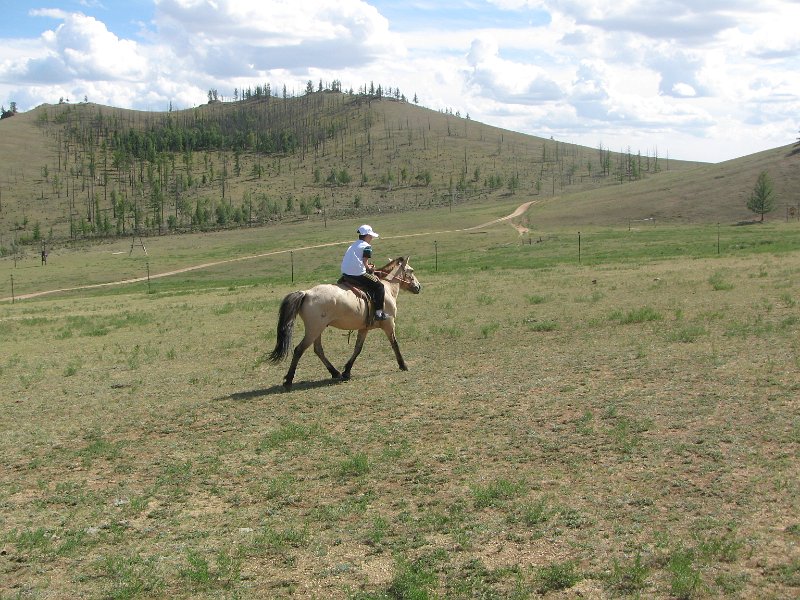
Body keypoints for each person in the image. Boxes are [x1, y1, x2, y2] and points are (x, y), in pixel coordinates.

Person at [341, 224, 389, 320]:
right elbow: (364, 262)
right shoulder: (367, 246)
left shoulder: (353, 245)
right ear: (366, 236)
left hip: (346, 273)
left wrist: (366, 266)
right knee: (380, 286)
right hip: (358, 274)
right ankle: (378, 313)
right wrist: (370, 268)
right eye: (370, 236)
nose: (371, 238)